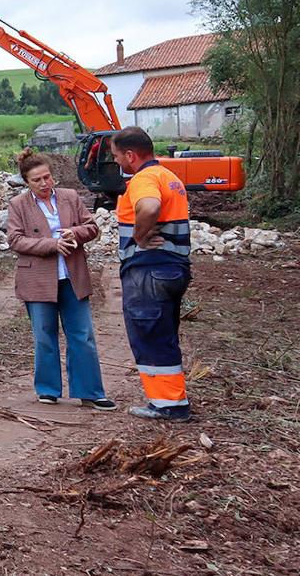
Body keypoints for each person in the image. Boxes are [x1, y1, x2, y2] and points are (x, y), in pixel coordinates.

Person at [6, 149, 116, 410]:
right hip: (38, 279)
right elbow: (15, 239)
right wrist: (51, 244)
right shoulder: (18, 205)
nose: (44, 183)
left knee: (82, 334)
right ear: (26, 182)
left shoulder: (70, 197)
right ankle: (48, 389)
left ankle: (90, 391)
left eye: (47, 177)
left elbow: (92, 227)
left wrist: (74, 233)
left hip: (72, 276)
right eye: (37, 180)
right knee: (44, 335)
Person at [110, 127, 193, 421]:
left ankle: (168, 405)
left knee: (149, 335)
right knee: (163, 335)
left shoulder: (144, 179)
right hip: (173, 269)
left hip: (149, 271)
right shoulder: (169, 177)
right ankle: (172, 400)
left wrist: (139, 235)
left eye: (117, 155)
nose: (117, 161)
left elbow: (149, 206)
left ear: (131, 155)